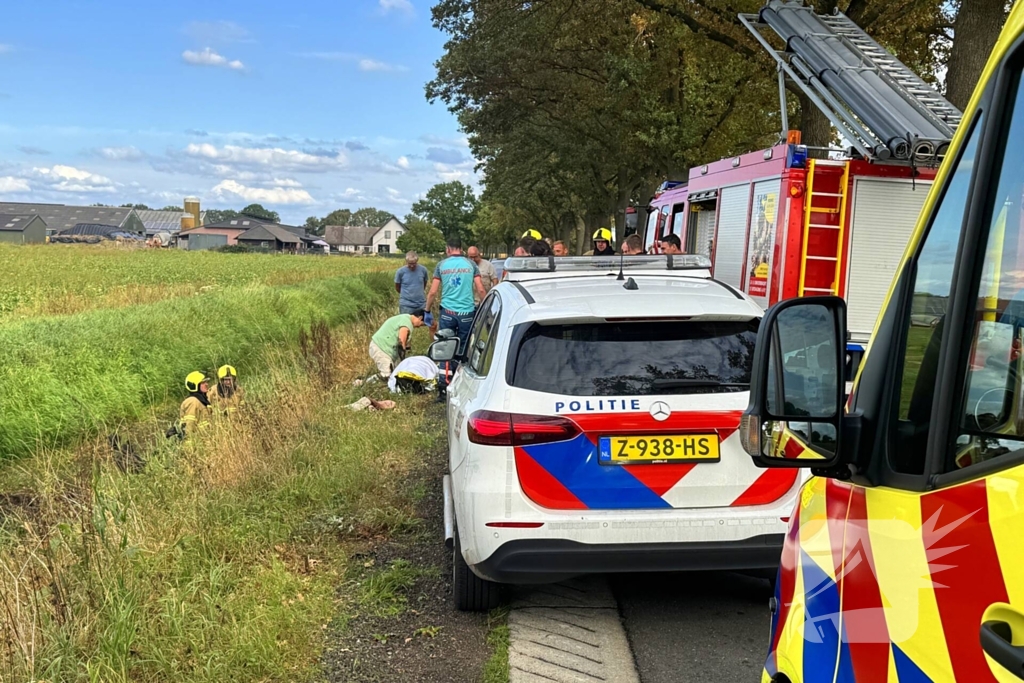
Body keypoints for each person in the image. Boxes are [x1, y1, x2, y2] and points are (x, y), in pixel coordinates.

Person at [426, 237, 486, 397]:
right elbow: (480, 289)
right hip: (467, 313)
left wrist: (427, 309)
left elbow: (432, 292)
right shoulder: (471, 264)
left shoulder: (441, 265)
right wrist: (486, 306)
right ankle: (461, 385)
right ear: (462, 248)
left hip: (448, 313)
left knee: (445, 347)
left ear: (448, 249)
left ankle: (443, 387)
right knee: (463, 349)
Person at [369, 309, 426, 378]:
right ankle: (362, 383)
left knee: (395, 374)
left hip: (384, 348)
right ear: (420, 318)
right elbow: (401, 341)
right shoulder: (407, 322)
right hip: (381, 348)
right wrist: (403, 360)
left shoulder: (405, 319)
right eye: (422, 324)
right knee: (386, 376)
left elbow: (407, 344)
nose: (419, 327)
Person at [179, 371, 212, 437]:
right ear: (195, 385)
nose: (206, 384)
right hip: (197, 443)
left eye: (206, 382)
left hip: (204, 441)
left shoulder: (202, 400)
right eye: (203, 383)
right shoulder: (192, 401)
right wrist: (191, 446)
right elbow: (189, 426)